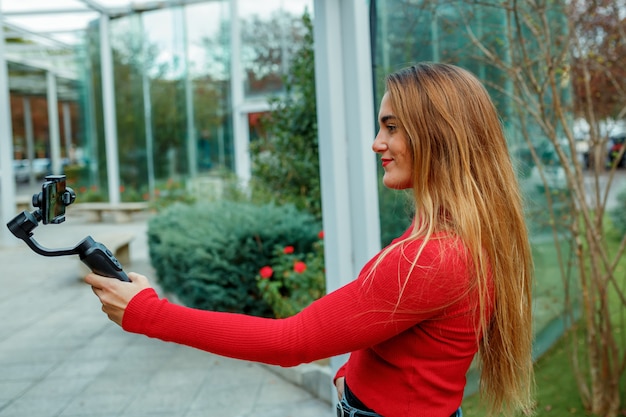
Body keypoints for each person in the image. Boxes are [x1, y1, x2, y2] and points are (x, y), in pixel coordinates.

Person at [86, 62, 534, 417]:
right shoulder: (458, 233)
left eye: (392, 127)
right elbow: (396, 333)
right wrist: (349, 374)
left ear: (440, 134)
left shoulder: (434, 257)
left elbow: (291, 341)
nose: (377, 143)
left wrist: (148, 313)